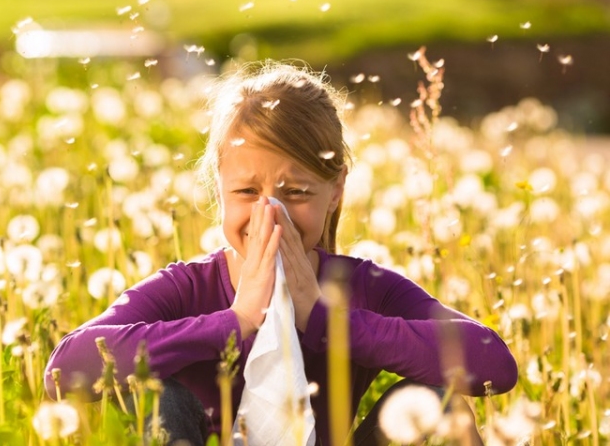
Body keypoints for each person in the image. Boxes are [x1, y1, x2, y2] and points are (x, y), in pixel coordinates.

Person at [44, 61, 518, 445]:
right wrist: (235, 321)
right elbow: (65, 371)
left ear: (335, 192)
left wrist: (328, 320)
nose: (270, 214)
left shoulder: (360, 287)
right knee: (154, 398)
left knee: (441, 404)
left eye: (295, 193)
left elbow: (494, 363)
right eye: (248, 191)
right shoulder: (188, 287)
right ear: (220, 191)